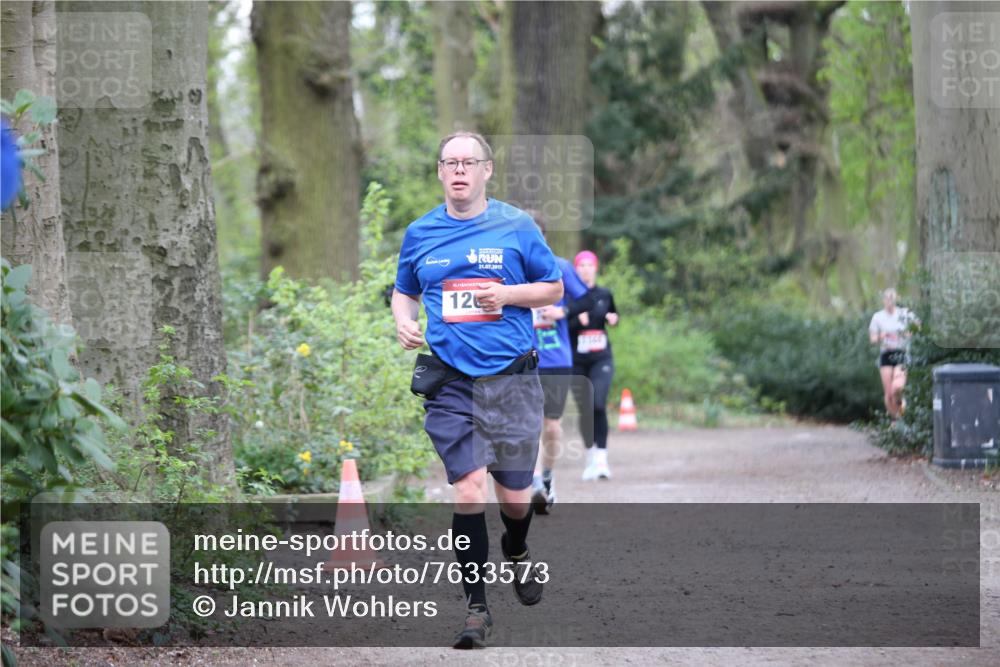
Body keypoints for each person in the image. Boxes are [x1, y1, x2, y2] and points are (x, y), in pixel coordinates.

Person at [391, 132, 563, 649]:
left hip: (511, 378)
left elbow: (552, 287)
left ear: (487, 170)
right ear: (440, 172)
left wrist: (507, 294)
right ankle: (476, 609)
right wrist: (404, 321)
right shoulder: (421, 232)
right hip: (450, 381)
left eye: (470, 162)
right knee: (468, 490)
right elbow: (405, 291)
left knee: (514, 497)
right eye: (450, 162)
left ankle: (517, 548)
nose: (460, 170)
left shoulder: (516, 226)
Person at [526, 213, 592, 515]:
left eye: (535, 232)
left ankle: (548, 479)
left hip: (555, 359)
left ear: (544, 235)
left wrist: (562, 311)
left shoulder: (561, 267)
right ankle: (535, 483)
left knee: (551, 427)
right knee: (529, 425)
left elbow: (589, 301)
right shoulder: (510, 267)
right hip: (521, 359)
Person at [569, 250, 619, 480]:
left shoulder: (604, 294)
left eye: (590, 265)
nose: (586, 269)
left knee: (598, 403)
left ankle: (602, 459)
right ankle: (590, 456)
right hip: (577, 360)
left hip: (601, 358)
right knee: (585, 409)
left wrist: (613, 319)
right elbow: (559, 323)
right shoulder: (570, 296)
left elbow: (614, 315)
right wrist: (574, 320)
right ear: (576, 269)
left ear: (596, 268)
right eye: (581, 265)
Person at [868, 288, 916, 420]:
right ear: (883, 300)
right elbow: (872, 339)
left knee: (897, 387)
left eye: (892, 298)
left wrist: (908, 333)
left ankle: (902, 409)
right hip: (886, 354)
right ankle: (895, 421)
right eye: (887, 298)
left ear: (896, 299)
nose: (890, 301)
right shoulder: (878, 317)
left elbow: (917, 326)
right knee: (889, 394)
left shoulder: (904, 313)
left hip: (901, 353)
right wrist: (881, 337)